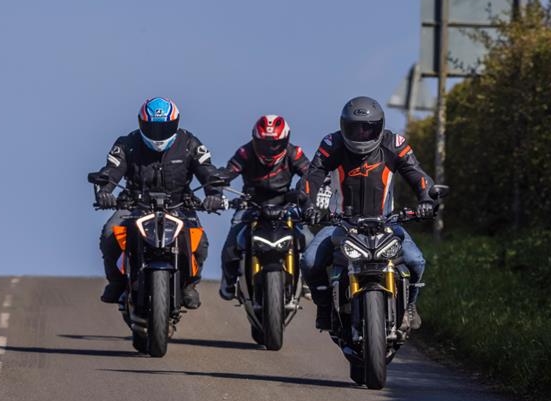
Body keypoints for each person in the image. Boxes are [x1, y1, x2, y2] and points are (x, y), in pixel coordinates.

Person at [300, 96, 437, 331]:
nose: (361, 134)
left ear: (379, 125)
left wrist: (426, 199)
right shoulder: (331, 144)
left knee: (416, 261)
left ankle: (410, 306)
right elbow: (312, 176)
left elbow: (418, 175)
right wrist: (308, 205)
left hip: (386, 223)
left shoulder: (395, 143)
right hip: (340, 223)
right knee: (310, 261)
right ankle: (324, 307)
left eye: (367, 128)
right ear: (344, 126)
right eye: (354, 128)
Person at [92, 97, 226, 309]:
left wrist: (215, 194)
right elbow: (111, 170)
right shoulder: (127, 144)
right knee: (110, 233)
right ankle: (116, 283)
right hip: (135, 206)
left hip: (179, 206)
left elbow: (207, 170)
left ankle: (189, 285)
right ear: (141, 123)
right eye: (153, 127)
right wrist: (104, 191)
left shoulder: (190, 143)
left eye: (165, 127)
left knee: (200, 243)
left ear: (176, 122)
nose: (158, 133)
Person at [218, 115, 310, 300]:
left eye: (275, 143)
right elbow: (228, 173)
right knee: (230, 246)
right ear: (255, 139)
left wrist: (302, 193)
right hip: (251, 203)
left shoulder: (294, 153)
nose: (269, 148)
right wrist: (216, 181)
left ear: (285, 140)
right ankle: (228, 283)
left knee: (308, 241)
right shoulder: (245, 153)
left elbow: (310, 175)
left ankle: (308, 282)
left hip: (285, 204)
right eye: (264, 143)